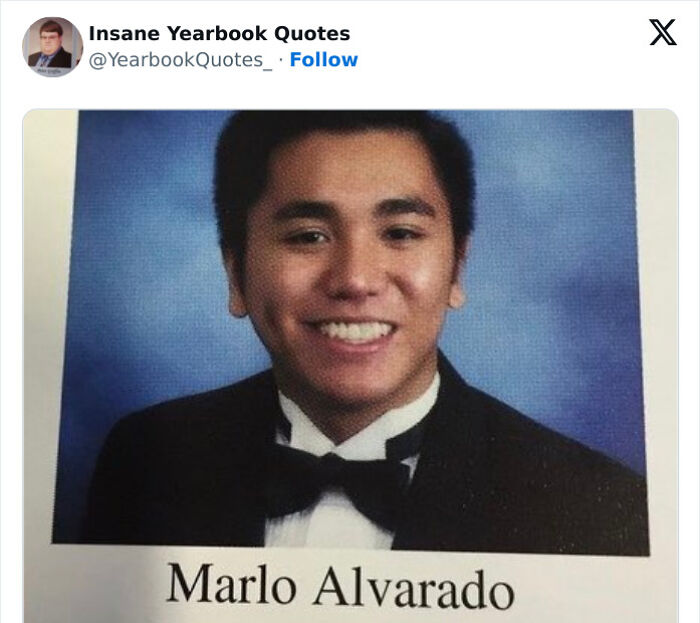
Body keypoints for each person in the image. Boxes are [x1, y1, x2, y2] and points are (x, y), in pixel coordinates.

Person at [82, 110, 649, 554]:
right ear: (236, 273)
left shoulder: (595, 505)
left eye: (400, 232)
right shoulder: (147, 459)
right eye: (308, 236)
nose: (355, 280)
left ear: (457, 269)